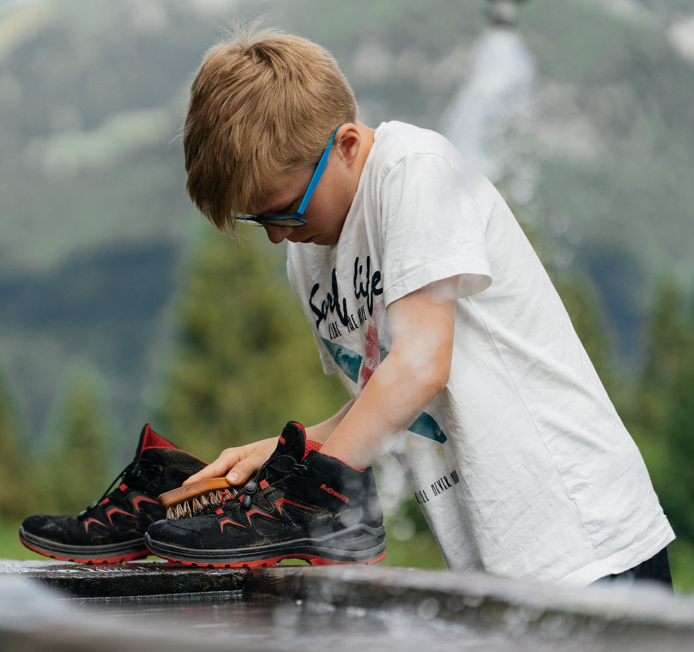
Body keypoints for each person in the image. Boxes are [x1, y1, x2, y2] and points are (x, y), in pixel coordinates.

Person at [143, 28, 674, 587]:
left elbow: (421, 364)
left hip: (584, 545)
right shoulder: (309, 254)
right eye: (261, 222)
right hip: (489, 563)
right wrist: (284, 457)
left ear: (346, 145)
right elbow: (387, 399)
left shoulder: (414, 172)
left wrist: (299, 500)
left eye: (286, 211)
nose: (278, 236)